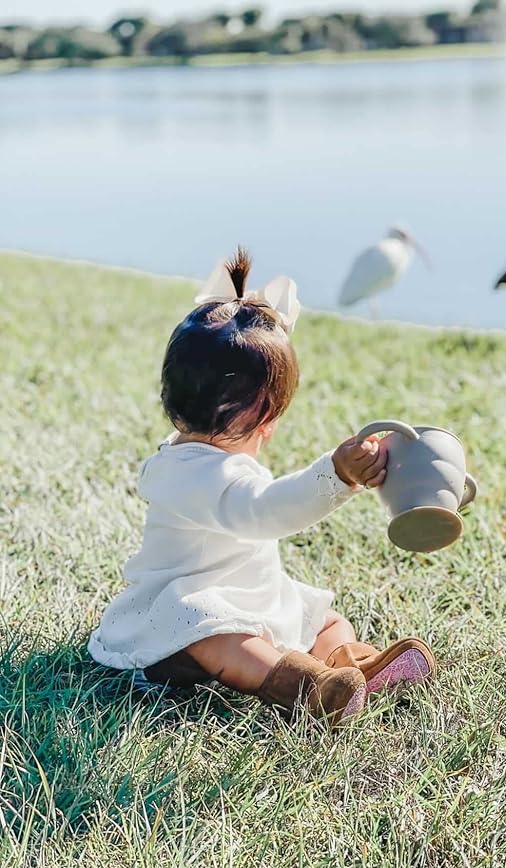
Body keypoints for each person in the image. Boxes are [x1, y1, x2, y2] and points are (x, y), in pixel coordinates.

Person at [88, 248, 435, 725]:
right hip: (179, 620)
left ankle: (349, 664)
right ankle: (308, 689)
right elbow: (267, 509)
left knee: (321, 618)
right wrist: (337, 474)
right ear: (263, 419)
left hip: (247, 595)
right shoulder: (196, 476)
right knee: (215, 632)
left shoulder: (202, 458)